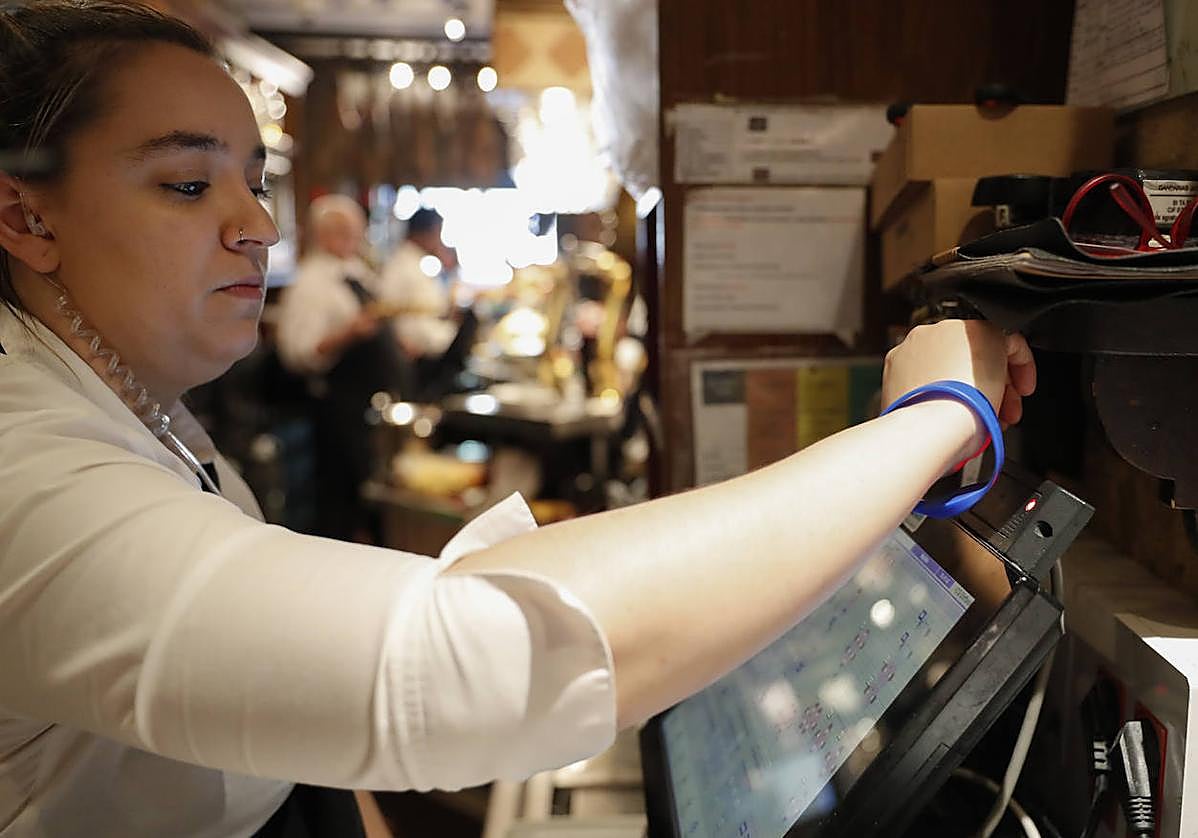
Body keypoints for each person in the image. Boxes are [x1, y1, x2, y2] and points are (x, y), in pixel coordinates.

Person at [0, 3, 1037, 837]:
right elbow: (458, 660)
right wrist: (934, 415)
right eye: (188, 183)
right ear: (24, 214)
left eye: (253, 179)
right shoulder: (23, 465)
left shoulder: (146, 407)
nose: (256, 225)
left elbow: (283, 722)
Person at [275, 194, 408, 542]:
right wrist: (349, 333)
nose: (354, 239)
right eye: (345, 232)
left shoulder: (356, 272)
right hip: (337, 404)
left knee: (370, 489)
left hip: (369, 403)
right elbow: (299, 353)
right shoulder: (311, 283)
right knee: (339, 495)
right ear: (324, 233)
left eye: (356, 232)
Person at [375, 207, 476, 400]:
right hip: (417, 357)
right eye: (438, 232)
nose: (439, 239)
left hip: (431, 348)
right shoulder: (399, 266)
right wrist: (400, 345)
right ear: (425, 232)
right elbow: (384, 312)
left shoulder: (419, 262)